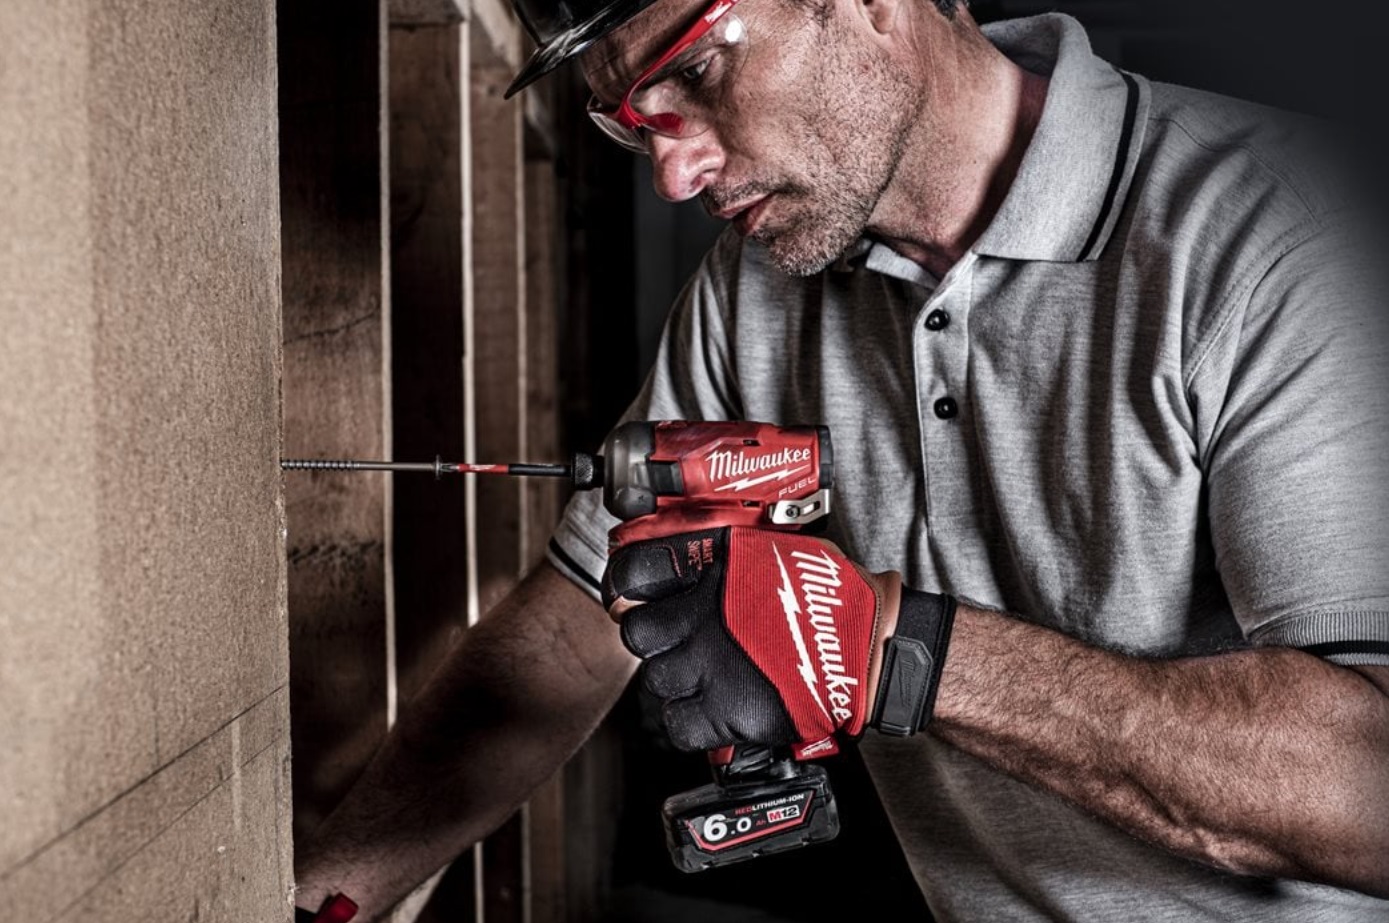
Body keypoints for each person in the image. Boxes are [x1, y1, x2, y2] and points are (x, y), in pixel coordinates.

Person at [293, 0, 1389, 919]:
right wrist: (325, 899)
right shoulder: (755, 291)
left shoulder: (1278, 235)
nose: (673, 172)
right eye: (634, 124)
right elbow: (574, 634)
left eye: (698, 73)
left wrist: (897, 650)